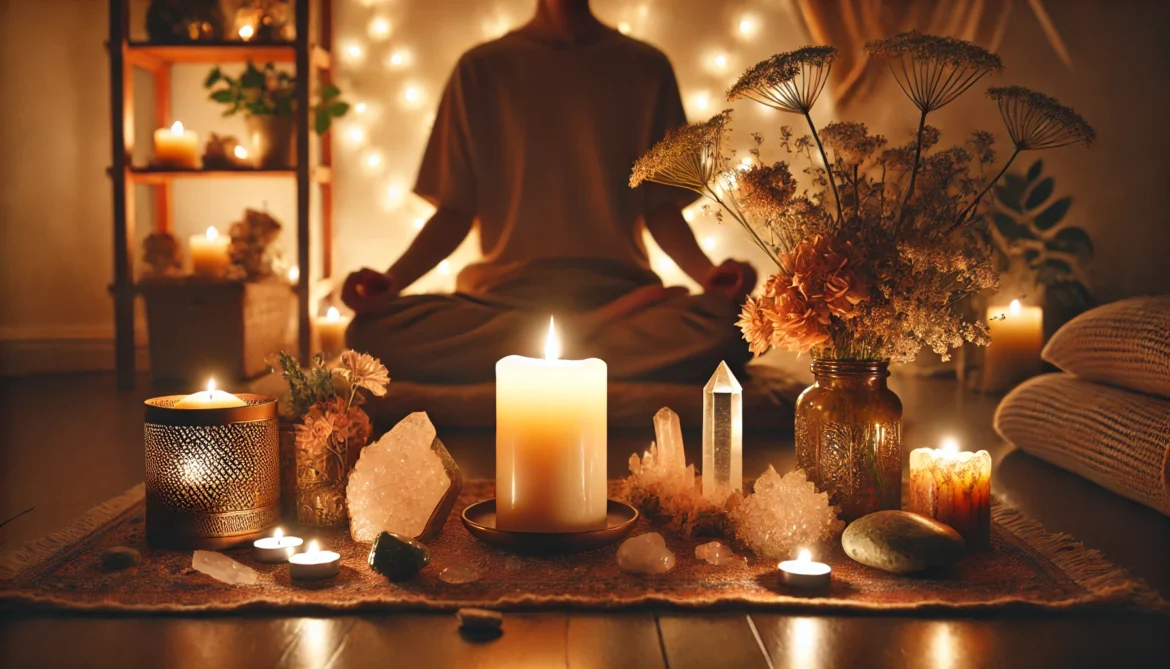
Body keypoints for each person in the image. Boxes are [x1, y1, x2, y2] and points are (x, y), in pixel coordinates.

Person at [343, 0, 755, 384]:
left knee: (729, 327)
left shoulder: (646, 68)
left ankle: (538, 352)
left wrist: (708, 275)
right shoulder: (481, 69)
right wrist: (391, 282)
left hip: (621, 299)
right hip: (503, 304)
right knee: (371, 333)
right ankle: (578, 344)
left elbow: (660, 207)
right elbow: (455, 210)